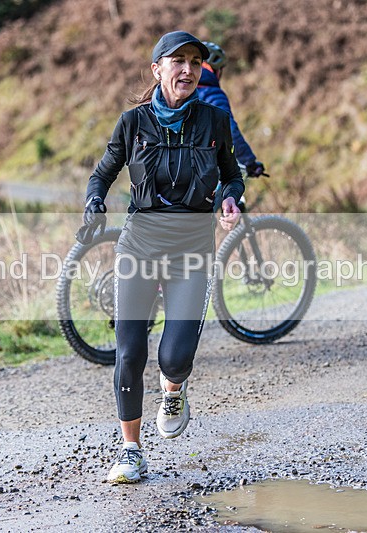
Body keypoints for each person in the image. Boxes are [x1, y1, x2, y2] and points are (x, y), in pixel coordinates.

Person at [77, 31, 245, 484]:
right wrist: (94, 202)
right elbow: (102, 174)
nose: (188, 69)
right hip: (139, 246)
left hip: (192, 249)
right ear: (158, 69)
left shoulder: (214, 120)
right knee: (129, 352)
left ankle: (174, 388)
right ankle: (130, 451)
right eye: (178, 61)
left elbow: (232, 176)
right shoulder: (132, 123)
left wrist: (230, 199)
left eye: (195, 61)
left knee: (174, 358)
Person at [197, 41, 265, 178]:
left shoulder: (178, 90)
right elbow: (227, 129)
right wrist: (249, 162)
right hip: (201, 170)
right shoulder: (211, 94)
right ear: (215, 70)